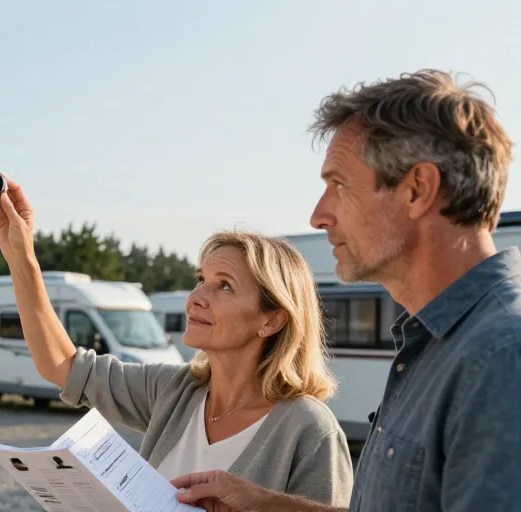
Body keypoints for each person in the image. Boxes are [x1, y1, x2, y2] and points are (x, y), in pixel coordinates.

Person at [172, 69, 521, 511]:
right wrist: (264, 505)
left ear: (417, 190)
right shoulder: (439, 342)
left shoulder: (502, 357)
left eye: (338, 184)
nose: (319, 216)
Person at [0, 179, 354, 507]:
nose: (196, 297)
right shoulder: (175, 390)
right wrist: (22, 257)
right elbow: (63, 366)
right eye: (201, 280)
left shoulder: (309, 429)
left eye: (224, 285)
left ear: (271, 320)